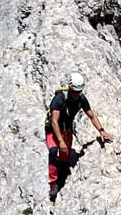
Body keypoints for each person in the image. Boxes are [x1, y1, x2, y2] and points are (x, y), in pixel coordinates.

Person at [46, 72, 113, 201]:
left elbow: (91, 115)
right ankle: (53, 185)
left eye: (79, 91)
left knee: (65, 159)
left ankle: (62, 180)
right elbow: (54, 121)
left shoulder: (81, 99)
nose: (77, 94)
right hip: (53, 130)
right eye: (75, 91)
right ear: (70, 87)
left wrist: (101, 130)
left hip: (67, 130)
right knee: (54, 152)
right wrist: (60, 141)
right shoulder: (60, 98)